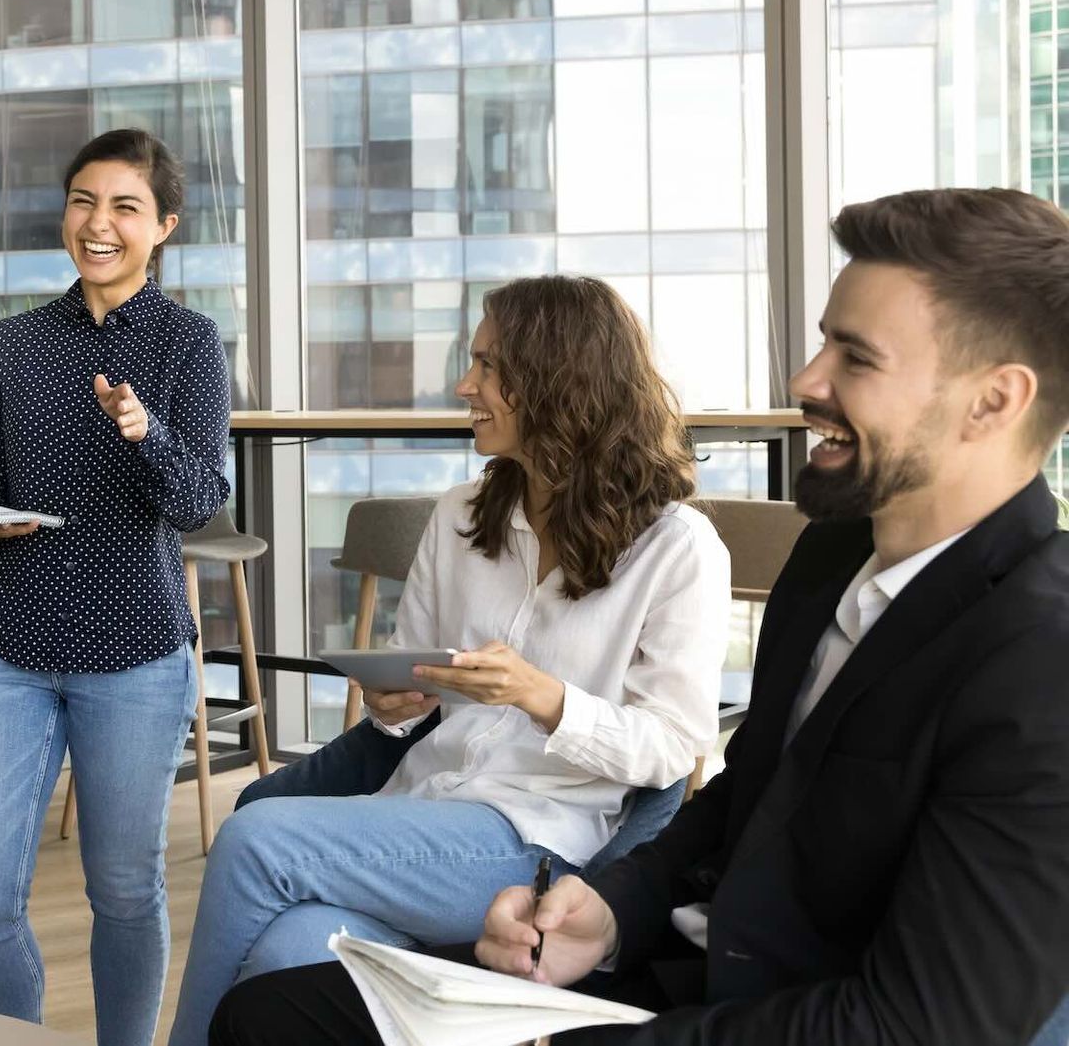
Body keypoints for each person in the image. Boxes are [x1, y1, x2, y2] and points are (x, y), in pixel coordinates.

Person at [209, 188, 1069, 1046]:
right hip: (664, 959)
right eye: (821, 345)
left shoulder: (1041, 657)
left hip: (756, 1013)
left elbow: (923, 1025)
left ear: (994, 401)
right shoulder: (831, 559)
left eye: (856, 357)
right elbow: (745, 794)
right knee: (272, 1006)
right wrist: (612, 908)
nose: (807, 381)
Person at [167, 276, 731, 1046]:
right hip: (421, 812)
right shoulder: (461, 516)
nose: (466, 385)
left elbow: (671, 745)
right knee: (284, 952)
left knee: (255, 836)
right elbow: (416, 694)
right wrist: (396, 705)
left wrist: (545, 698)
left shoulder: (677, 547)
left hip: (539, 841)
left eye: (488, 366)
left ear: (559, 379)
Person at [0, 129, 231, 1046]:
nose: (97, 223)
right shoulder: (15, 343)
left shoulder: (190, 344)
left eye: (124, 207)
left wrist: (143, 431)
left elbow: (197, 503)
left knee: (121, 888)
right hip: (10, 644)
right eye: (82, 201)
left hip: (135, 650)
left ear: (164, 227)